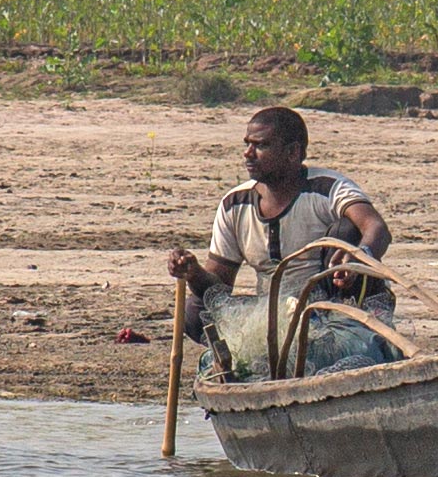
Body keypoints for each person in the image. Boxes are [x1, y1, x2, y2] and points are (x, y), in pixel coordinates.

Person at [165, 107, 393, 377]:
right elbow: (219, 286)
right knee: (194, 310)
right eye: (247, 144)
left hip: (329, 309)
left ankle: (331, 345)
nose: (248, 154)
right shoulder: (234, 204)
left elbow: (376, 228)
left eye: (261, 146)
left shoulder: (328, 188)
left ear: (292, 152)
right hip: (273, 317)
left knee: (347, 232)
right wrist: (194, 273)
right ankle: (259, 359)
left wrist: (357, 258)